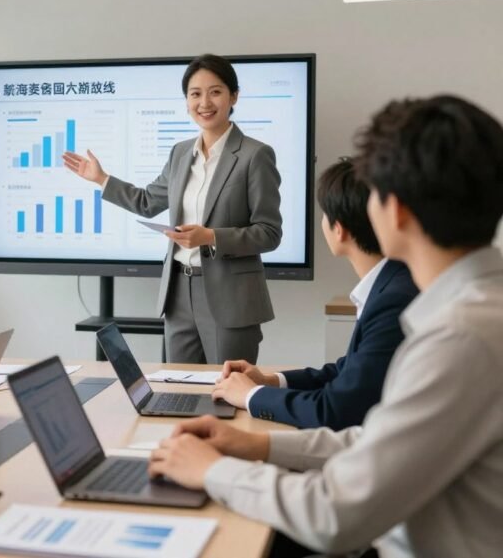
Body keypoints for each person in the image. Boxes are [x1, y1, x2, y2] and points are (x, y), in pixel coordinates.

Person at [147, 95, 503, 558]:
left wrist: (212, 470)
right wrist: (255, 448)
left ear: (394, 210)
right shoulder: (474, 311)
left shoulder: (461, 338)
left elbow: (335, 515)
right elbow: (381, 441)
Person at [63, 54, 282, 364]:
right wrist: (101, 179)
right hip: (178, 291)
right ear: (187, 101)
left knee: (227, 397)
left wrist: (210, 237)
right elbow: (147, 202)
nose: (204, 102)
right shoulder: (180, 153)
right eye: (195, 94)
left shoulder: (254, 155)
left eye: (215, 91)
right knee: (178, 388)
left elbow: (269, 233)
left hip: (229, 297)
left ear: (234, 96)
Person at [212, 158, 418, 429]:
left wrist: (250, 395)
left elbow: (334, 411)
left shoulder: (394, 299)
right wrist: (271, 381)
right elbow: (347, 372)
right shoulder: (392, 283)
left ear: (339, 229)